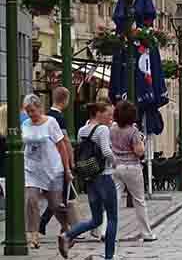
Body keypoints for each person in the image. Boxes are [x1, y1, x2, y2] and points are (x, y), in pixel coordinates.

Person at [60, 101, 117, 260]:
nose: (111, 118)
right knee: (112, 218)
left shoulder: (82, 130)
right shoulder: (103, 129)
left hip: (90, 179)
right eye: (108, 114)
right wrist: (115, 162)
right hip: (104, 176)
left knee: (96, 219)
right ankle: (109, 256)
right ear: (98, 113)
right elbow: (106, 151)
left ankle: (67, 235)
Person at [21, 93, 71, 250]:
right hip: (32, 169)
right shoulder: (25, 124)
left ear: (40, 108)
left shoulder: (51, 122)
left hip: (52, 168)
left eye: (33, 111)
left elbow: (61, 145)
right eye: (27, 111)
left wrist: (67, 168)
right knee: (31, 200)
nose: (30, 114)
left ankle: (67, 228)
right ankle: (33, 235)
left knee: (55, 204)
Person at [110, 101, 155, 242]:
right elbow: (139, 151)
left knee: (113, 202)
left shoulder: (112, 128)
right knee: (139, 201)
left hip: (116, 166)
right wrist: (142, 140)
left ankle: (108, 232)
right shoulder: (134, 131)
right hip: (132, 167)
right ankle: (146, 233)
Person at [38, 87, 77, 238]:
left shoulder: (46, 116)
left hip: (48, 160)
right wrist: (71, 161)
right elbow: (64, 142)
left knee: (59, 195)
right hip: (60, 162)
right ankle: (60, 227)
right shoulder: (59, 118)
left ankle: (59, 226)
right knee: (62, 196)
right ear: (66, 100)